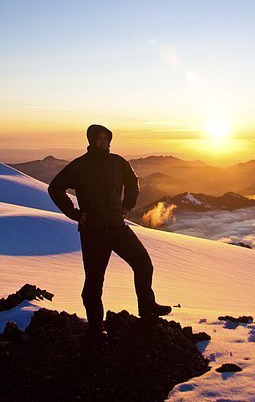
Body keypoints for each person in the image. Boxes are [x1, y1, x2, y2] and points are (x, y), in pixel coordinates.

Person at [48, 123, 172, 341]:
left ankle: (147, 307)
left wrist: (127, 206)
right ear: (91, 141)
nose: (103, 141)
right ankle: (96, 328)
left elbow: (132, 181)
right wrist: (75, 214)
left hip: (117, 227)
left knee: (143, 263)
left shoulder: (117, 162)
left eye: (106, 138)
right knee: (94, 282)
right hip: (93, 232)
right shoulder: (80, 166)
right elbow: (55, 187)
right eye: (99, 138)